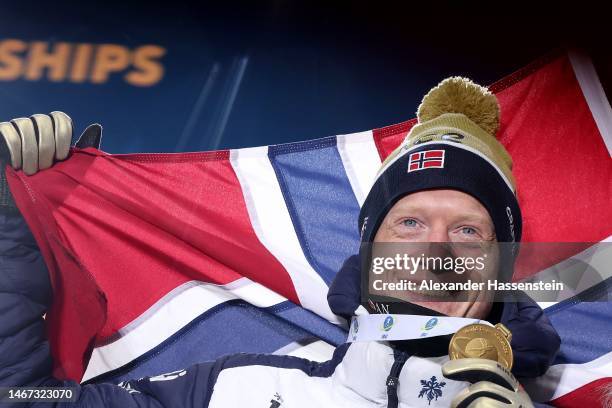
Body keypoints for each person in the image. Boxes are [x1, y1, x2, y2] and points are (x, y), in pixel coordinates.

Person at [0, 78, 560, 407]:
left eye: (468, 232)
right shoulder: (236, 388)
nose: (434, 252)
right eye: (409, 224)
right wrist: (11, 234)